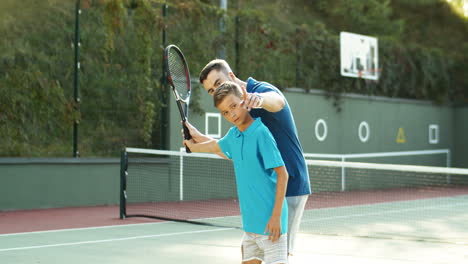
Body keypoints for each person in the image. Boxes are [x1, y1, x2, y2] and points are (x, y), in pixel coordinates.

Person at [185, 59, 311, 256]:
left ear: (232, 77)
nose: (216, 90)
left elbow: (277, 101)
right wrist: (199, 139)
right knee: (255, 254)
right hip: (265, 193)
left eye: (218, 83)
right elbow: (240, 154)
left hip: (290, 185)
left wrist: (257, 99)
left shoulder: (260, 90)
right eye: (211, 90)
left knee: (279, 253)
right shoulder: (237, 114)